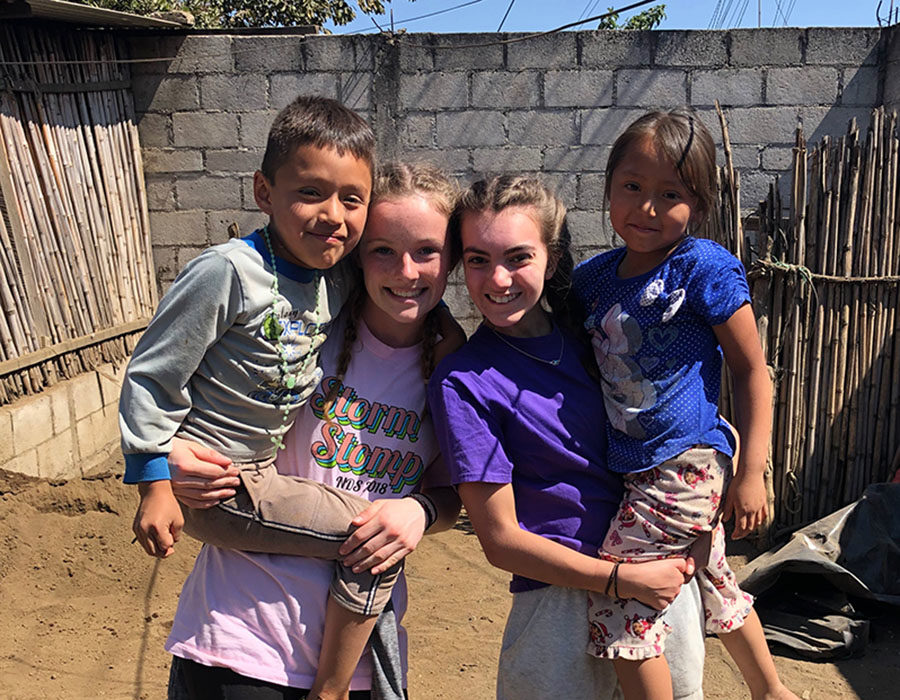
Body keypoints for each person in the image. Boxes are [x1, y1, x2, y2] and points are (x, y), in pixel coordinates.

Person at [119, 96, 457, 700]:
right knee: (366, 537)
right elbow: (157, 379)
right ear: (263, 191)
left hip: (357, 655)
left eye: (427, 251)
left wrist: (421, 510)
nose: (404, 270)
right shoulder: (255, 288)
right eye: (383, 249)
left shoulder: (449, 370)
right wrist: (163, 468)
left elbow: (465, 492)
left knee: (378, 537)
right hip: (235, 640)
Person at [427, 174, 707, 700]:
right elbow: (500, 540)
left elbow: (680, 409)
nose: (498, 279)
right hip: (558, 606)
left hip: (655, 569)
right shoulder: (464, 381)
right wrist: (620, 580)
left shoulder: (597, 338)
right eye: (478, 260)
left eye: (518, 257)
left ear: (551, 260)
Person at [573, 109, 799, 700]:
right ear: (608, 186)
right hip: (637, 466)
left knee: (623, 592)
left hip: (684, 462)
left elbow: (753, 371)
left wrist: (752, 473)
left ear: (697, 204)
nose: (647, 208)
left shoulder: (702, 267)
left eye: (669, 194)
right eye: (632, 187)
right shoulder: (594, 278)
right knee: (715, 577)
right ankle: (773, 690)